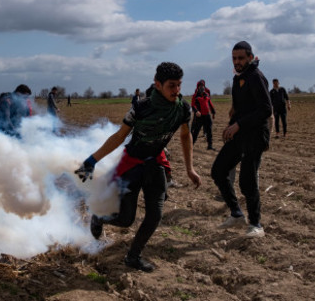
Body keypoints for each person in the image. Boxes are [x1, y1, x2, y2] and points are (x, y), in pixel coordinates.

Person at [75, 62, 201, 272]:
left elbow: (186, 135)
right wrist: (91, 161)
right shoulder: (141, 108)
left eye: (179, 85)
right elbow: (118, 137)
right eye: (172, 85)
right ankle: (99, 217)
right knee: (125, 220)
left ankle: (133, 256)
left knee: (155, 215)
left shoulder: (183, 109)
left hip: (155, 163)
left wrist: (190, 169)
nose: (176, 90)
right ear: (158, 85)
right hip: (132, 165)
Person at [211, 41, 271, 238]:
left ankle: (256, 224)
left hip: (255, 135)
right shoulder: (238, 79)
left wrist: (239, 125)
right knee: (218, 170)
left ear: (250, 58)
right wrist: (231, 125)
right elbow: (239, 108)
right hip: (240, 134)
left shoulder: (256, 77)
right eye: (234, 58)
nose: (236, 62)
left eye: (241, 58)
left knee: (247, 181)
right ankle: (236, 213)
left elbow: (265, 110)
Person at [191, 82, 216, 150]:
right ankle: (190, 146)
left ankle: (210, 146)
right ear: (198, 87)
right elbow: (193, 105)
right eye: (200, 86)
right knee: (196, 131)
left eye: (203, 86)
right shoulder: (195, 96)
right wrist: (196, 111)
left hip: (207, 116)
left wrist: (213, 112)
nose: (202, 87)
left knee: (209, 130)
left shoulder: (207, 95)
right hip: (199, 116)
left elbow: (210, 104)